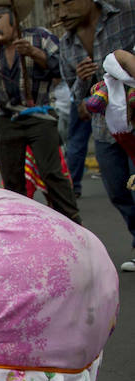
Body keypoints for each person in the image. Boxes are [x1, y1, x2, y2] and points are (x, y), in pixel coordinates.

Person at [0, 0, 81, 222]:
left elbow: (60, 67)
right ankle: (22, 224)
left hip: (39, 116)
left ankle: (72, 221)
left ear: (13, 18)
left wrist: (34, 53)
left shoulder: (39, 38)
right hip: (7, 119)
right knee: (11, 179)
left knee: (51, 173)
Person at [54, 0, 135, 269]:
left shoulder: (126, 12)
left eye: (66, 3)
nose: (61, 13)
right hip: (104, 130)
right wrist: (80, 78)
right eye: (55, 6)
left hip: (133, 121)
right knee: (118, 191)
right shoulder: (66, 45)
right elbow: (77, 99)